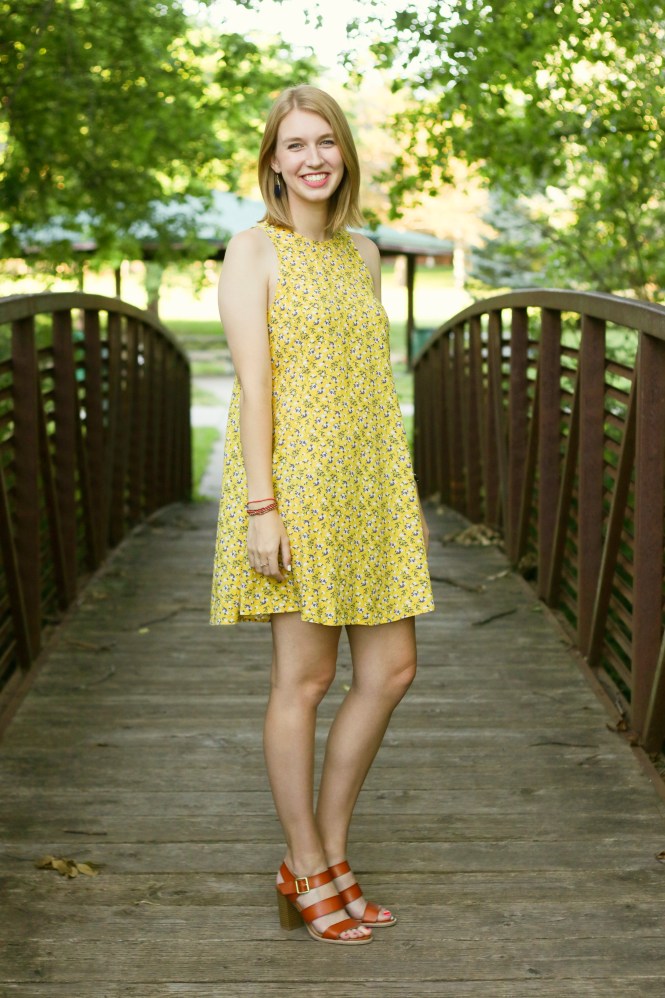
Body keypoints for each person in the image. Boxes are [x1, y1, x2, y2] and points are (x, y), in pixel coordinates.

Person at [211, 85, 434, 946]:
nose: (311, 158)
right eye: (294, 145)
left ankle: (330, 854)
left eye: (325, 143)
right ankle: (305, 863)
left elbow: (376, 393)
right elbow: (256, 389)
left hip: (368, 488)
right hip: (292, 491)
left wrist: (399, 500)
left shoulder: (365, 253)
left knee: (391, 671)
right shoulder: (250, 253)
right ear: (272, 160)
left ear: (343, 154)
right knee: (302, 682)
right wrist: (263, 508)